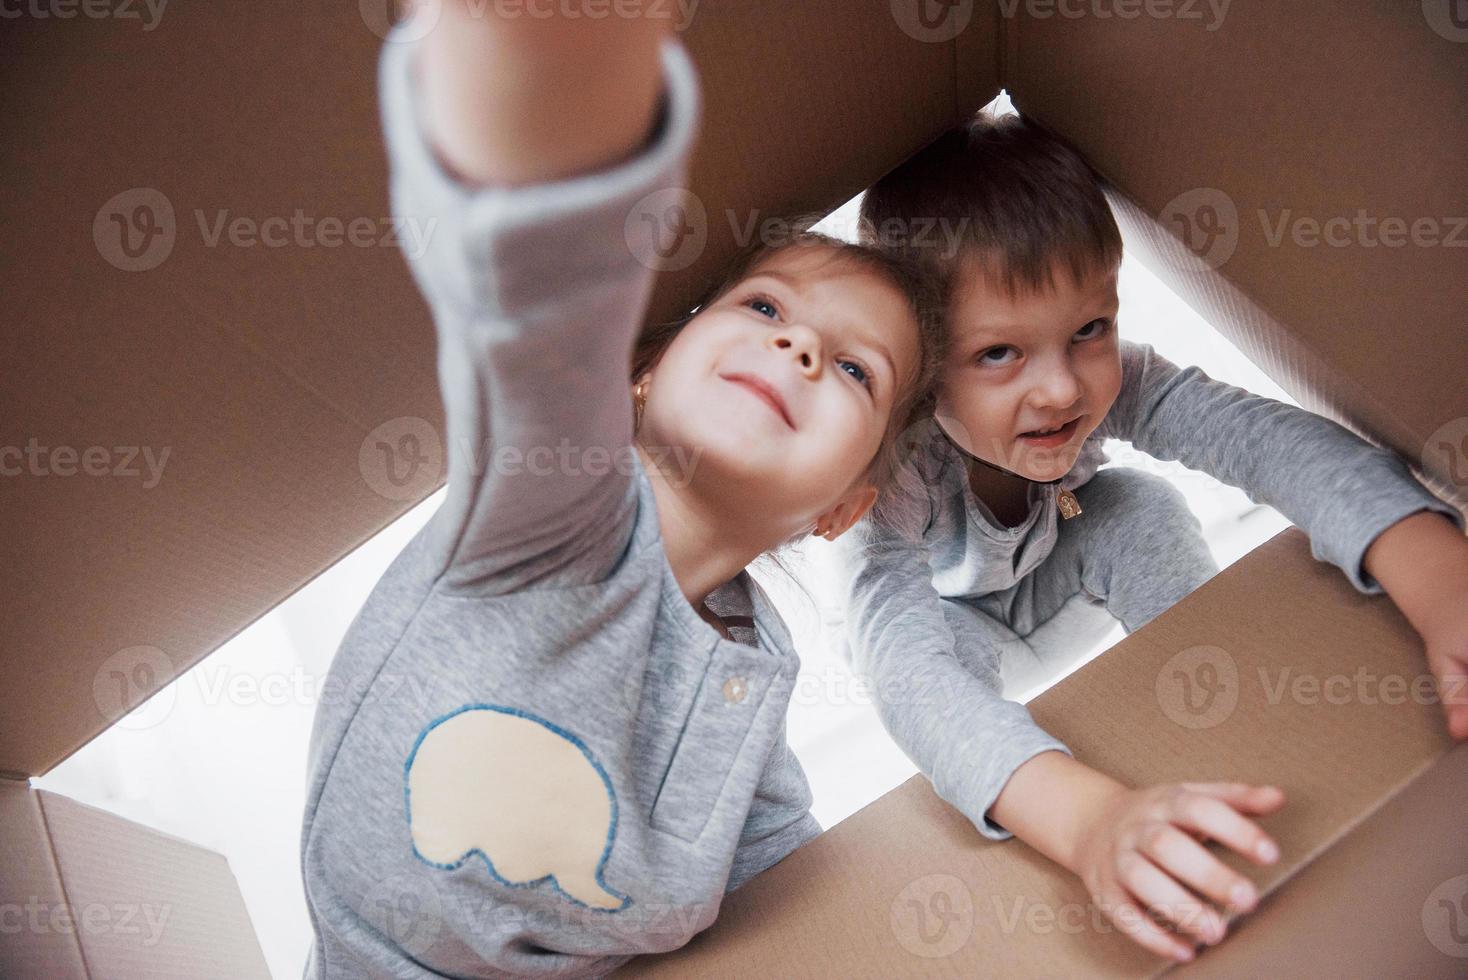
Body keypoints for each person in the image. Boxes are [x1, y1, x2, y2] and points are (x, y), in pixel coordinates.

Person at [297, 6, 947, 977]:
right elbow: (532, 321)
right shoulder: (553, 505)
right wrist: (559, 85)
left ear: (842, 506)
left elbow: (786, 862)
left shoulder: (751, 667)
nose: (802, 345)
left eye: (856, 370)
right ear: (644, 369)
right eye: (764, 306)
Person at [834, 110, 1468, 963]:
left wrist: (1437, 573)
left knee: (1138, 503)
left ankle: (1220, 714)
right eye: (998, 355)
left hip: (1062, 576)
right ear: (913, 361)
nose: (1061, 387)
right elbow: (903, 669)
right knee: (925, 647)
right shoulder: (890, 459)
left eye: (1088, 329)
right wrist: (1086, 819)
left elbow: (1264, 438)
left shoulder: (1113, 380)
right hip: (962, 635)